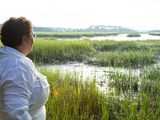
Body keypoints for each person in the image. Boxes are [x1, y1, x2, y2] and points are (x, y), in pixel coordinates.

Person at [0, 17, 50, 120]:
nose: (34, 38)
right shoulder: (16, 65)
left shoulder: (11, 60)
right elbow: (15, 113)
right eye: (33, 35)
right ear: (24, 39)